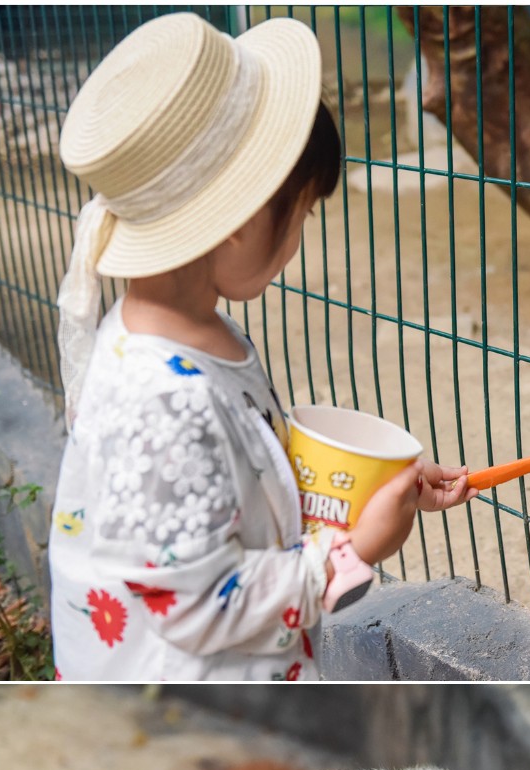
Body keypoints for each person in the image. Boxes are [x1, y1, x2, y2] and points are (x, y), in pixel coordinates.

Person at [47, 12, 473, 680]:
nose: (300, 233)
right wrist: (354, 547)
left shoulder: (193, 332)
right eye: (302, 212)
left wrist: (359, 492)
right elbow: (191, 604)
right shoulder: (160, 401)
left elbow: (230, 488)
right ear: (242, 223)